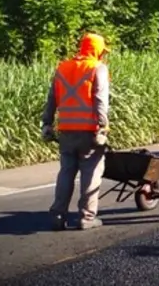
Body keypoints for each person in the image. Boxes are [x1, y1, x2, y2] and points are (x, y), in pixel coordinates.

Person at [41, 33, 111, 231]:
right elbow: (100, 101)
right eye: (102, 51)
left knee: (66, 173)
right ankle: (87, 218)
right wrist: (103, 127)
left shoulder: (62, 67)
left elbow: (51, 99)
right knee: (91, 174)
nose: (103, 55)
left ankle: (57, 215)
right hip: (89, 131)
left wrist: (47, 124)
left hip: (66, 131)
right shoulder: (98, 68)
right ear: (97, 50)